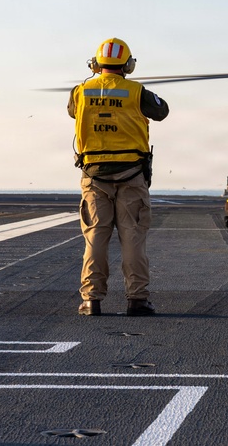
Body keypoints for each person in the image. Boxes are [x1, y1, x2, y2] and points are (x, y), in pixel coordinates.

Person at [68, 37, 169, 317]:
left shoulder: (80, 91)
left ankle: (91, 300)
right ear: (128, 65)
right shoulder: (137, 92)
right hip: (131, 175)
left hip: (94, 177)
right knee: (133, 238)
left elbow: (72, 112)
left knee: (95, 239)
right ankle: (137, 299)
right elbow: (162, 111)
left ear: (95, 64)